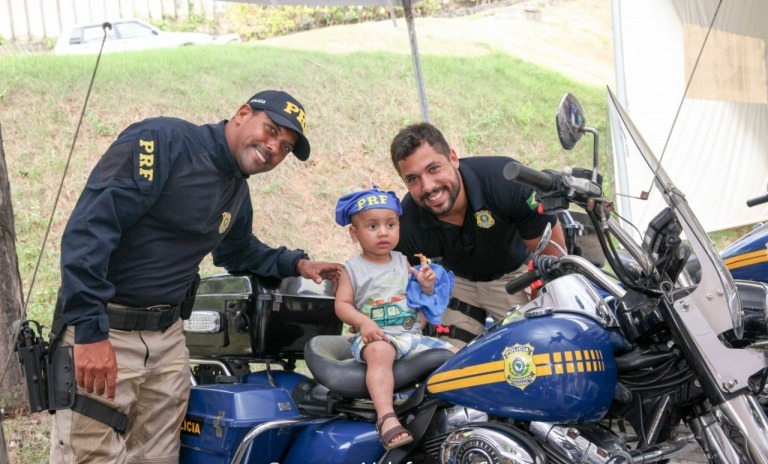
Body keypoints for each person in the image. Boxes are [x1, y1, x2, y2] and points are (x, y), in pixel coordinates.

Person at [51, 90, 342, 463]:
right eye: (271, 130)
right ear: (242, 113)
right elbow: (89, 232)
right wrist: (90, 333)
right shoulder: (163, 142)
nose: (274, 148)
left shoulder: (236, 188)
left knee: (158, 457)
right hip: (108, 329)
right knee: (90, 455)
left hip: (168, 340)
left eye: (285, 147)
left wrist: (298, 265)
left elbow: (238, 252)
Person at [390, 122, 566, 348]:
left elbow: (555, 263)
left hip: (513, 277)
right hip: (455, 282)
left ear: (453, 158)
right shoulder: (406, 222)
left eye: (433, 168)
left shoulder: (507, 182)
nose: (428, 187)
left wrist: (537, 311)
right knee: (449, 362)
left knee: (534, 350)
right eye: (413, 179)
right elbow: (390, 283)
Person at [334, 187, 458, 450]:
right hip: (375, 336)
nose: (383, 232)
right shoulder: (353, 269)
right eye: (373, 226)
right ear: (354, 234)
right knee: (380, 353)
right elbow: (342, 305)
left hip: (411, 336)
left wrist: (426, 285)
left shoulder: (403, 261)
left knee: (456, 353)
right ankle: (386, 416)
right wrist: (363, 323)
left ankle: (454, 414)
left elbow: (418, 296)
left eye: (390, 225)